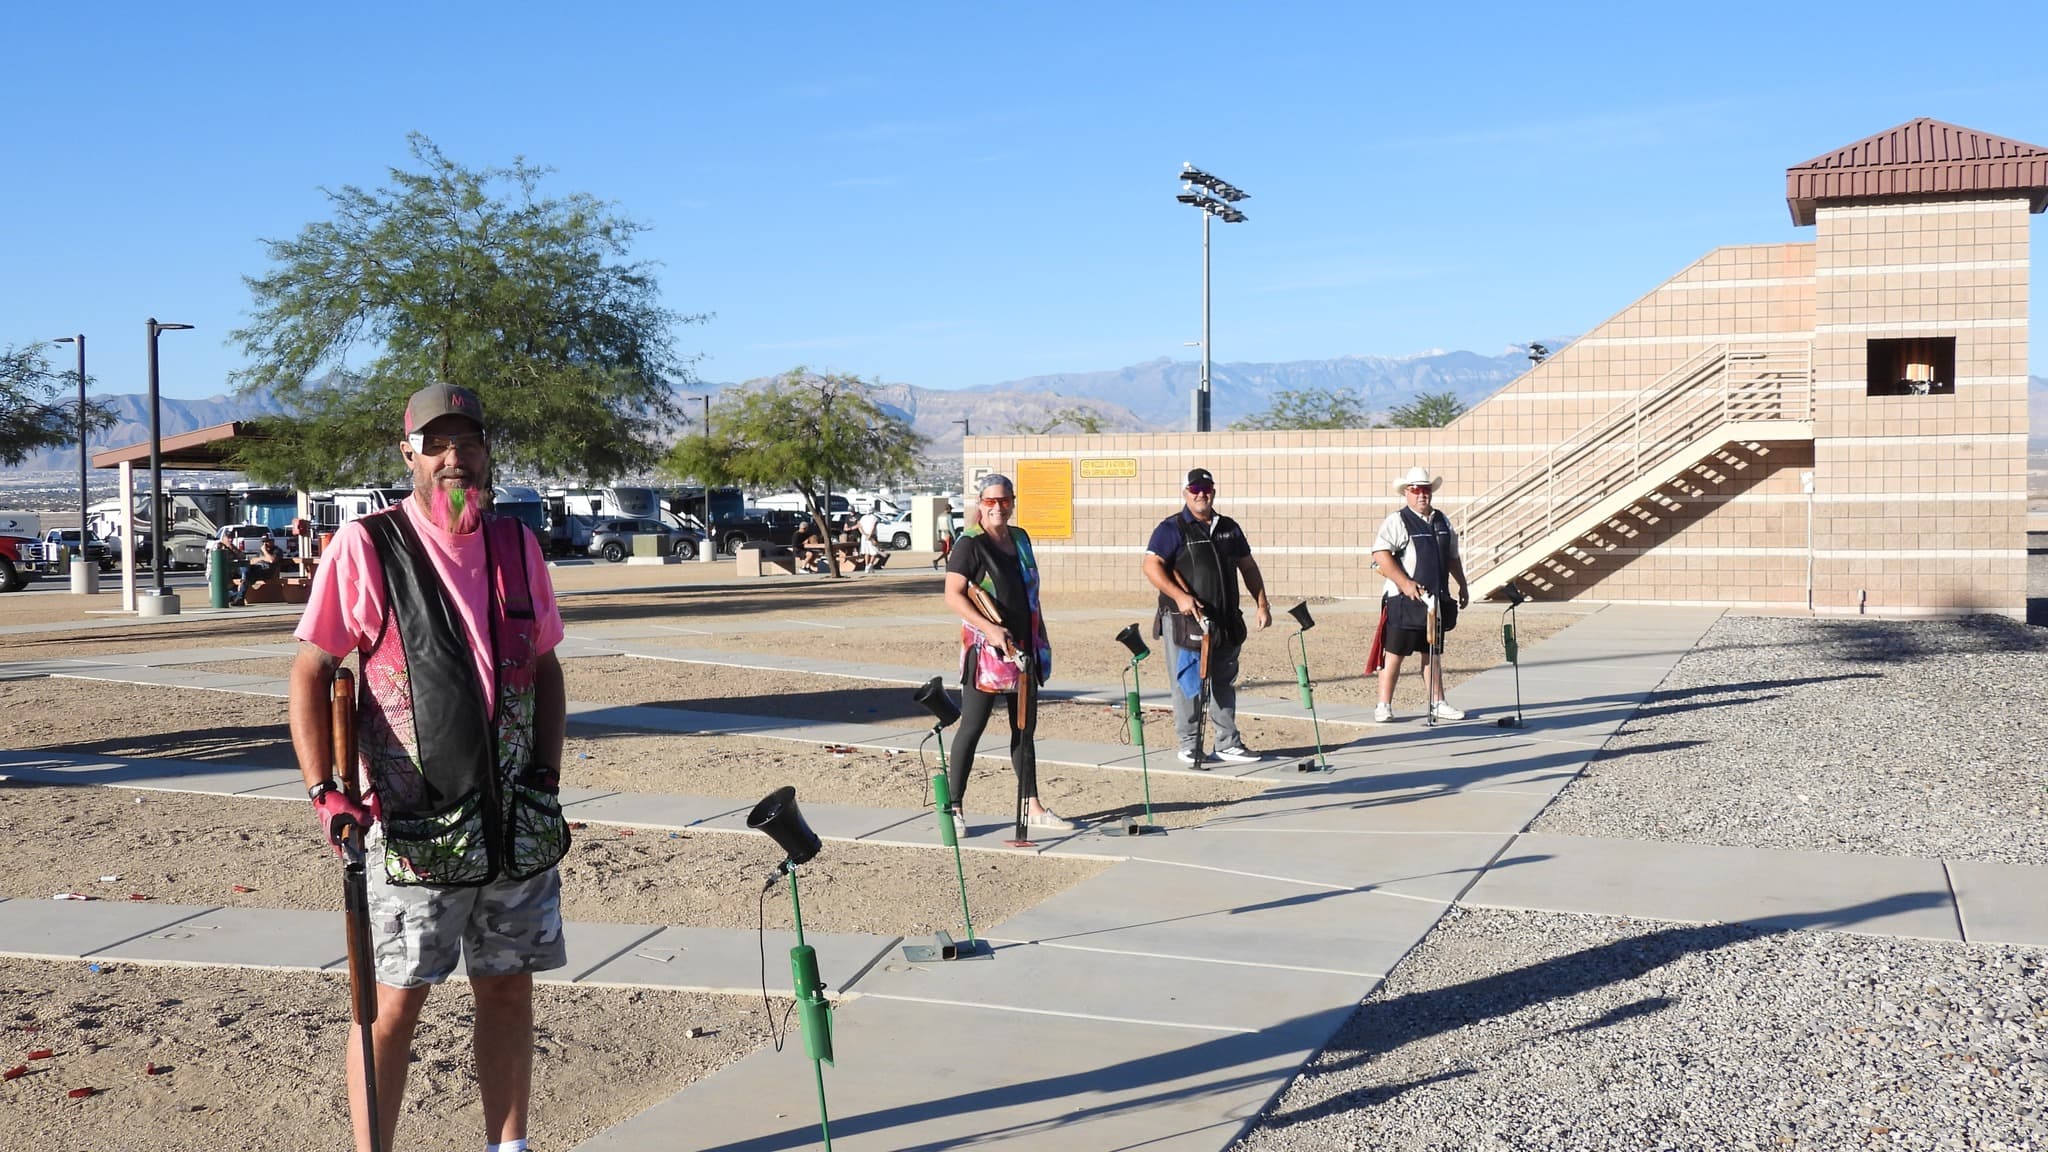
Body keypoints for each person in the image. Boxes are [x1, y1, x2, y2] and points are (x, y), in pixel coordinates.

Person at [288, 383, 569, 1152]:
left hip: (515, 826)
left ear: (485, 452)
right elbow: (312, 670)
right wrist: (327, 793)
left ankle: (507, 1146)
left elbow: (545, 668)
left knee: (509, 990)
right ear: (408, 452)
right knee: (392, 1005)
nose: (454, 457)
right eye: (437, 444)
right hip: (415, 828)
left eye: (467, 442)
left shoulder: (517, 546)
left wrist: (543, 776)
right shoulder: (367, 546)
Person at [942, 472, 1071, 831]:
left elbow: (1030, 594)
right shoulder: (970, 543)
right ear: (980, 504)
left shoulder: (1020, 538)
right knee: (973, 726)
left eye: (1004, 500)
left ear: (1012, 502)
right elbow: (953, 594)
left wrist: (1038, 636)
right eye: (990, 501)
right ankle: (954, 808)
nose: (998, 507)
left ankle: (1032, 805)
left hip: (1024, 648)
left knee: (1024, 729)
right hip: (985, 652)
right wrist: (990, 628)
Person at [1141, 468, 1272, 767]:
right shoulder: (1171, 528)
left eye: (1207, 487)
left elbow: (1248, 567)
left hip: (1225, 620)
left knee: (1223, 680)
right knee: (1188, 683)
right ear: (1185, 492)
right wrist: (1180, 596)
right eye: (1195, 488)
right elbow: (1152, 566)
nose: (1201, 493)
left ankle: (1227, 743)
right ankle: (1189, 744)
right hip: (1185, 620)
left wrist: (1262, 604)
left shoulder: (1229, 528)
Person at [1368, 466, 1471, 722]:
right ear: (1407, 493)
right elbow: (1381, 554)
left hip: (1435, 599)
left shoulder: (1442, 521)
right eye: (1416, 490)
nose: (1422, 495)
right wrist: (1404, 583)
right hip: (1403, 601)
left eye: (1425, 490)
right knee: (1394, 653)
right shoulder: (1397, 520)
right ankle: (1383, 705)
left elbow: (1452, 557)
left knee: (1432, 653)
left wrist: (1462, 584)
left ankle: (1438, 702)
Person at [230, 535, 286, 606]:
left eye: (267, 542)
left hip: (266, 573)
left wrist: (264, 551)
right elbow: (252, 561)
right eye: (263, 542)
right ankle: (239, 597)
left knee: (247, 575)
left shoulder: (277, 550)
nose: (265, 544)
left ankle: (236, 596)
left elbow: (272, 560)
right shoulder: (261, 551)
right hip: (257, 571)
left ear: (272, 541)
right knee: (245, 569)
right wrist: (262, 558)